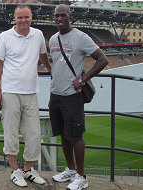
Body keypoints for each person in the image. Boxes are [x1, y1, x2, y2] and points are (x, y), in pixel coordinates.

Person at [49, 4, 109, 190]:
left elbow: (103, 59)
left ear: (70, 16)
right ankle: (71, 170)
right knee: (64, 135)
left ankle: (82, 177)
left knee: (76, 135)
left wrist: (83, 80)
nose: (59, 18)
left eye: (63, 15)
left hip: (72, 96)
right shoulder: (52, 39)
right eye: (57, 15)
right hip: (55, 94)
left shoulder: (81, 37)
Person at [0, 4, 52, 188]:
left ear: (31, 17)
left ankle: (28, 169)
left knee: (34, 134)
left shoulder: (38, 35)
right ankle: (14, 171)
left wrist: (51, 69)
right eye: (20, 17)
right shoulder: (5, 37)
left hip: (31, 91)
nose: (23, 20)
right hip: (10, 91)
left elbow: (43, 54)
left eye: (26, 17)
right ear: (15, 18)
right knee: (10, 132)